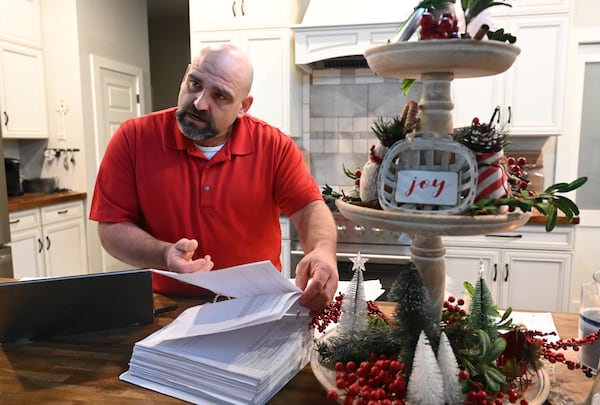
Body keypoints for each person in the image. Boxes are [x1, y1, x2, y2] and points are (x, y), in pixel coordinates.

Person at [89, 44, 338, 313]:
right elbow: (112, 227)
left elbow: (309, 208)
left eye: (220, 96)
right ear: (185, 76)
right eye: (195, 83)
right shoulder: (133, 138)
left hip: (255, 305)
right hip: (165, 306)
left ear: (244, 106)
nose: (199, 103)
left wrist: (323, 250)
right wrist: (164, 254)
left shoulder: (274, 146)